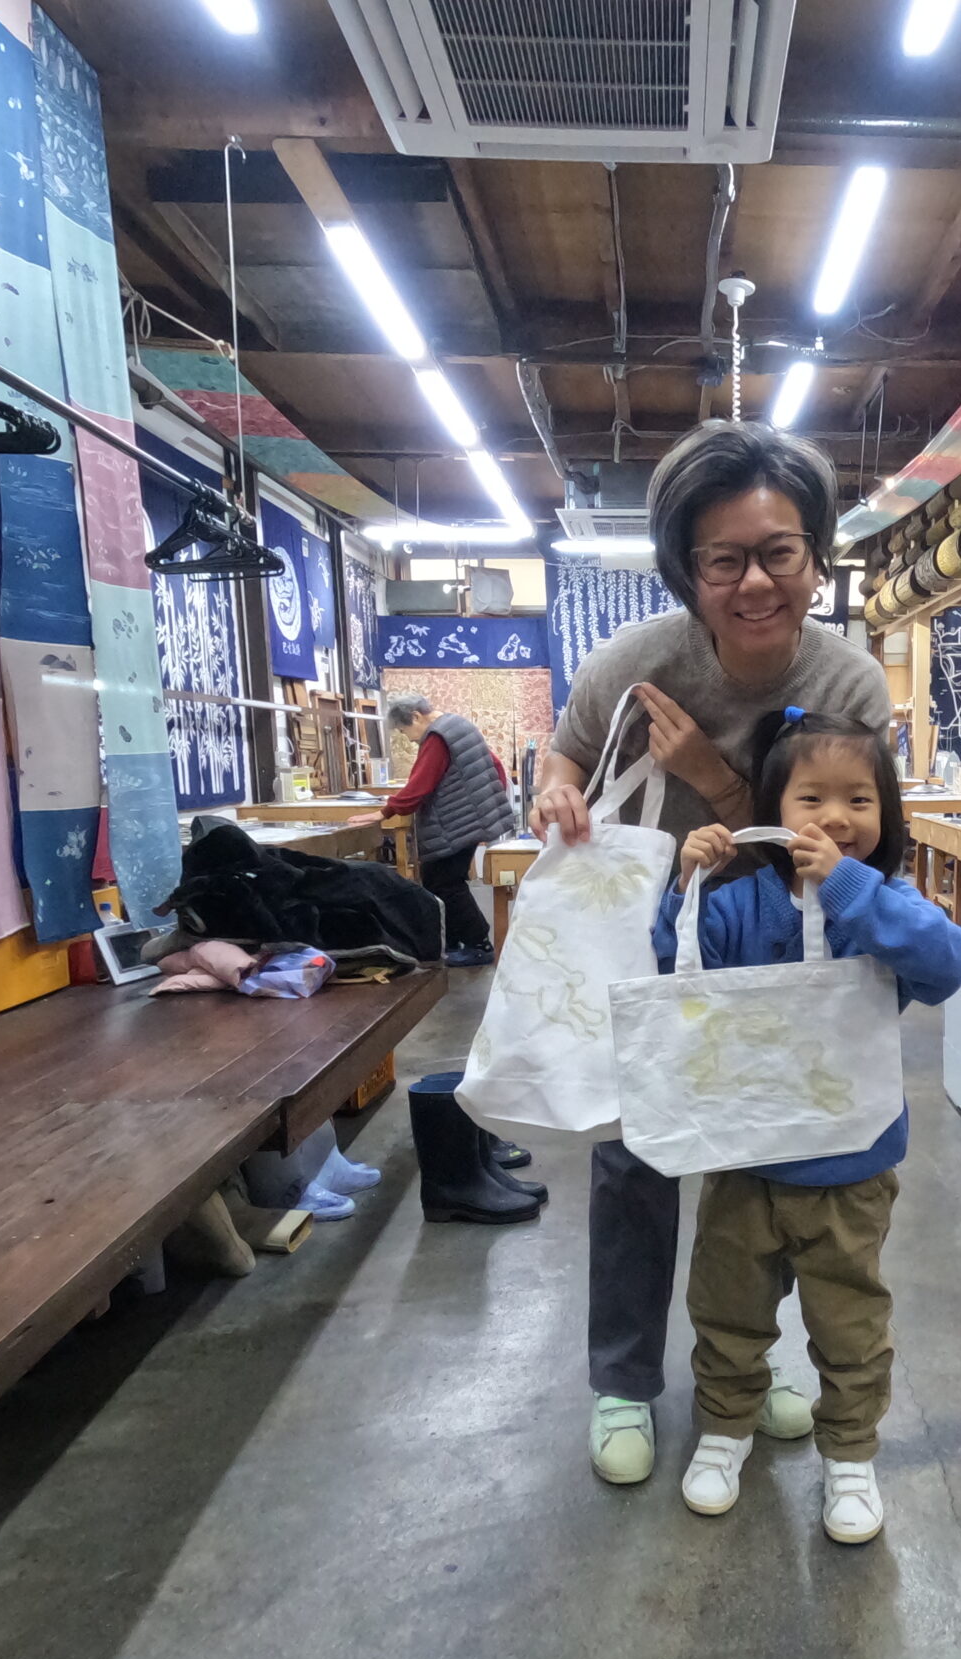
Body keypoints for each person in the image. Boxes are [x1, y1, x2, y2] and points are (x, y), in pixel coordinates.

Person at [529, 418, 891, 1487]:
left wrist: (711, 778)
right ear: (686, 569)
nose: (754, 583)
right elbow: (565, 751)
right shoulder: (638, 663)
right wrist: (554, 793)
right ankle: (623, 1381)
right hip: (650, 941)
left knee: (769, 1164)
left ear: (816, 557)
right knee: (633, 1159)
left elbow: (845, 837)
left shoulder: (848, 686)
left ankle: (752, 1362)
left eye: (779, 552)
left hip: (783, 953)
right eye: (724, 560)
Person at [655, 711, 961, 1543]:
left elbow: (947, 967)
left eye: (859, 799)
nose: (836, 816)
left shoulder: (885, 904)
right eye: (812, 798)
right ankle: (726, 1429)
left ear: (887, 814)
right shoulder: (740, 904)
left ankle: (851, 1455)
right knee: (727, 1308)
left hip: (849, 1167)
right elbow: (676, 972)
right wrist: (686, 887)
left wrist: (848, 889)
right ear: (773, 809)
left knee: (849, 1324)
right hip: (745, 1160)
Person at [358, 692, 515, 966]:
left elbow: (421, 784)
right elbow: (495, 767)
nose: (408, 738)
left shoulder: (437, 737)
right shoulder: (458, 726)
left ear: (416, 716)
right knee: (440, 880)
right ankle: (453, 942)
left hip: (457, 821)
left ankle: (479, 944)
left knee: (446, 883)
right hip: (470, 817)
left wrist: (385, 811)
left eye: (403, 730)